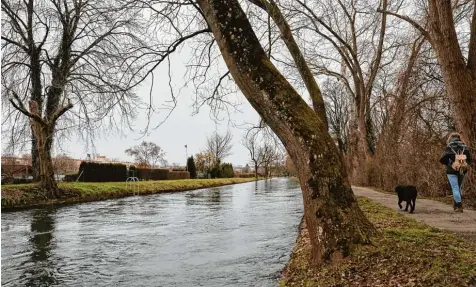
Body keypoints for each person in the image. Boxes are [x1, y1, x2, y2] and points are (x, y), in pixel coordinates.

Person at [439, 132, 472, 212]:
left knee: (455, 187)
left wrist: (450, 163)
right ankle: (456, 204)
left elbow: (442, 159)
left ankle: (459, 205)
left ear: (451, 138)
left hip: (451, 170)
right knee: (459, 187)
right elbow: (470, 160)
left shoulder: (449, 146)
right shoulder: (465, 146)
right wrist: (464, 163)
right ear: (459, 138)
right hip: (462, 169)